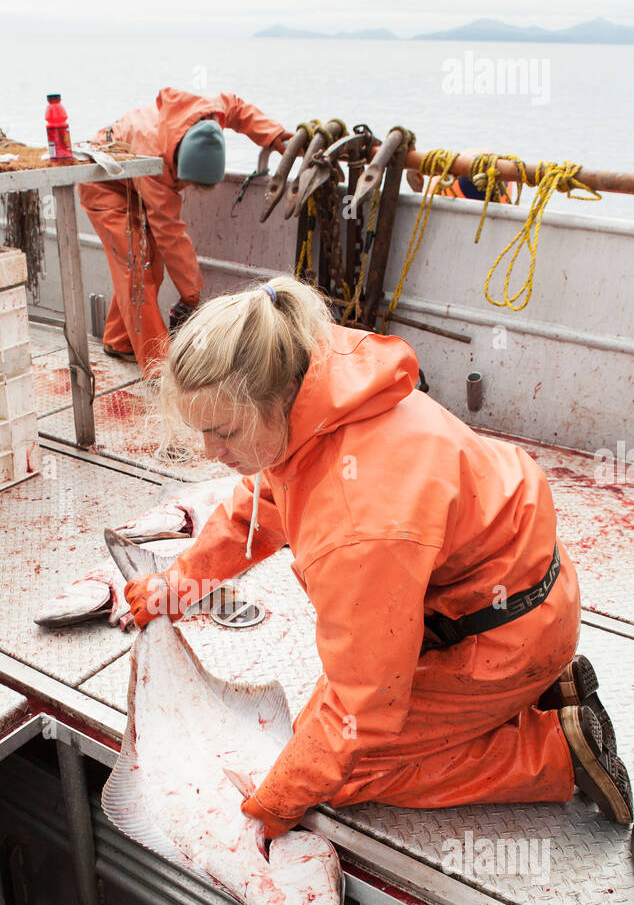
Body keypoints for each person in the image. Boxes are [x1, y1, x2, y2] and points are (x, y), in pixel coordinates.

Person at [123, 276, 632, 838]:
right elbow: (256, 510)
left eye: (223, 433)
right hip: (506, 594)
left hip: (502, 636)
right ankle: (534, 693)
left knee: (343, 775)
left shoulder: (360, 518)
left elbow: (362, 703)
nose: (210, 453)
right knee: (315, 744)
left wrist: (281, 799)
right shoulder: (312, 387)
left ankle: (555, 747)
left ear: (271, 400)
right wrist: (174, 586)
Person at [78, 89, 292, 373]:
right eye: (185, 183)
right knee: (136, 271)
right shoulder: (155, 162)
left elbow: (238, 109)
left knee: (146, 267)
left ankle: (119, 340)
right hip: (103, 181)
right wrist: (192, 294)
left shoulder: (208, 113)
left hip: (135, 179)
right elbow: (170, 235)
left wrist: (276, 137)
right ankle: (160, 370)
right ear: (178, 167)